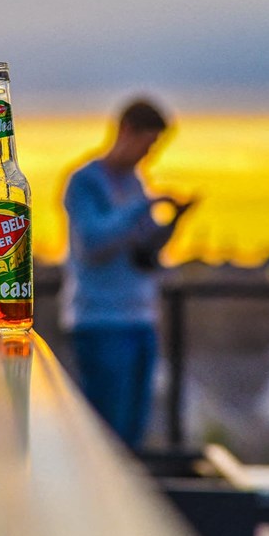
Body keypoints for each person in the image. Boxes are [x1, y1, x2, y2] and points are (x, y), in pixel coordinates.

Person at [60, 96, 195, 450]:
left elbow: (143, 249)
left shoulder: (135, 183)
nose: (148, 155)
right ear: (127, 131)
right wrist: (144, 206)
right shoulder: (86, 182)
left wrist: (173, 222)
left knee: (134, 433)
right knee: (106, 435)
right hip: (101, 321)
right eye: (147, 144)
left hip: (140, 318)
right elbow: (93, 243)